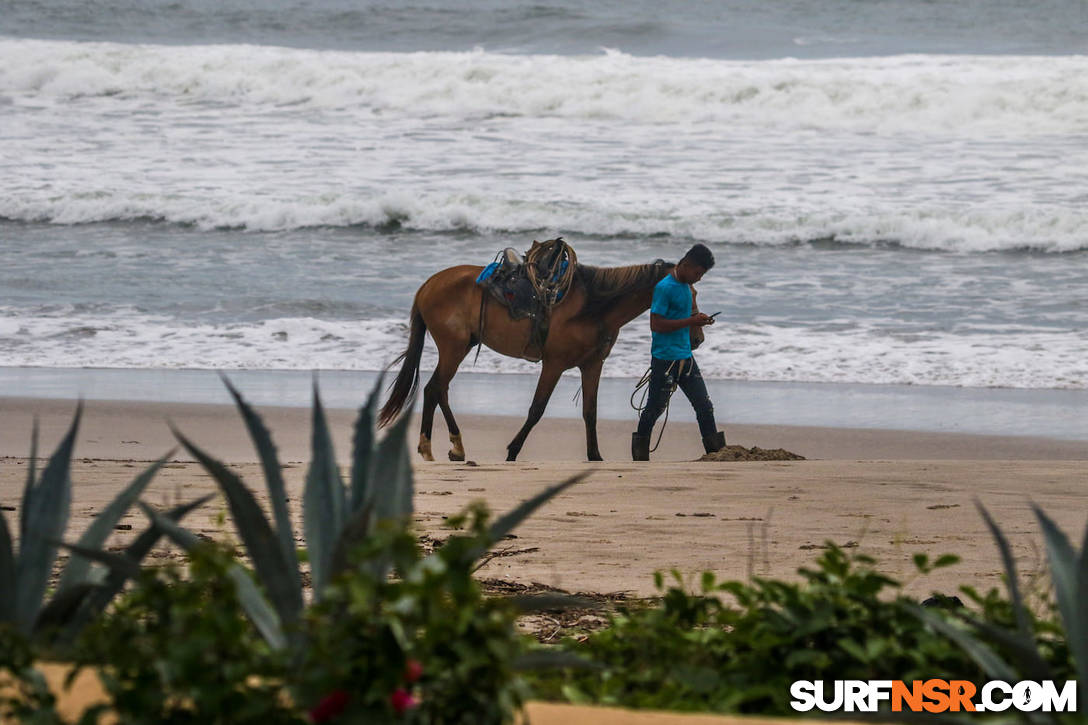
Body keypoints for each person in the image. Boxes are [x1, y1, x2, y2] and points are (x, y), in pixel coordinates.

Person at [632, 243, 726, 461]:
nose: (699, 278)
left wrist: (699, 320)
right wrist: (691, 321)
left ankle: (718, 456)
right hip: (665, 360)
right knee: (653, 410)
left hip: (686, 357)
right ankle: (639, 459)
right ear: (686, 264)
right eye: (698, 273)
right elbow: (656, 324)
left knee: (704, 406)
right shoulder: (665, 288)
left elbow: (682, 318)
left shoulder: (687, 287)